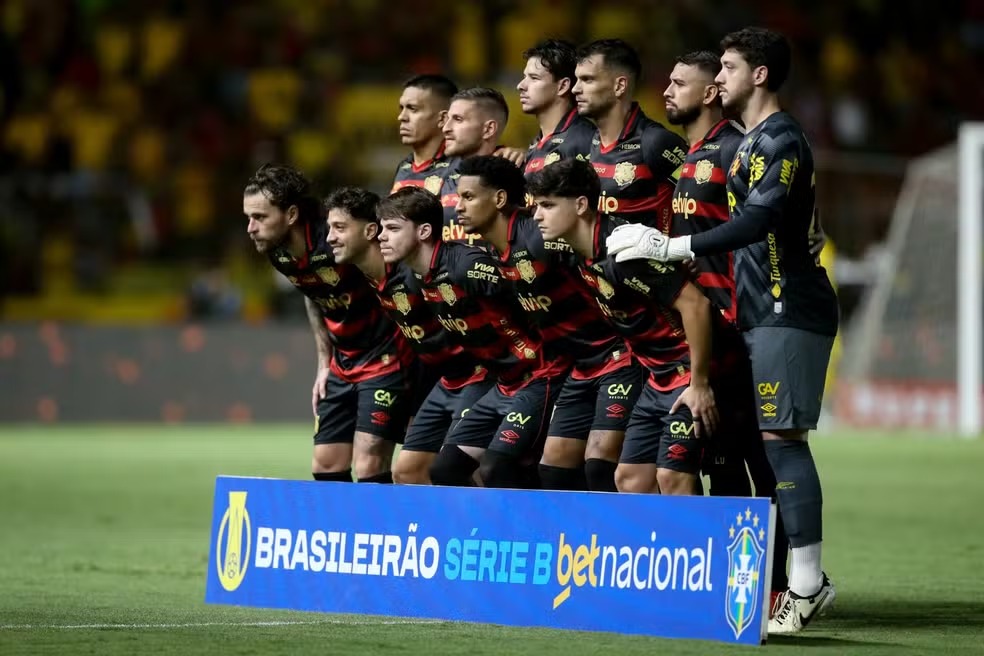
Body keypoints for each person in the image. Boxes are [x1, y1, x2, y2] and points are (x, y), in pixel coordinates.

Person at [606, 28, 839, 633]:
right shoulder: (756, 142)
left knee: (783, 441)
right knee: (767, 445)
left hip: (788, 306)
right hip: (762, 310)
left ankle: (806, 586)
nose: (720, 79)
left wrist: (670, 243)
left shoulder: (781, 136)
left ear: (757, 75)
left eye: (729, 67)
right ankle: (785, 585)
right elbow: (781, 215)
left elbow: (761, 217)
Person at [529, 158, 753, 497]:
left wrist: (700, 383)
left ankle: (700, 549)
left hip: (696, 371)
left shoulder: (625, 252)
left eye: (547, 205)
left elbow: (696, 305)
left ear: (580, 205)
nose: (537, 216)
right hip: (658, 375)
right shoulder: (575, 253)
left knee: (674, 477)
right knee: (629, 478)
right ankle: (664, 548)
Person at [663, 49, 790, 610]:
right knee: (721, 463)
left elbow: (773, 225)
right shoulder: (688, 157)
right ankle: (740, 585)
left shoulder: (739, 148)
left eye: (680, 83)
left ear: (711, 93)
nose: (667, 90)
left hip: (744, 330)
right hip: (707, 331)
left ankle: (780, 585)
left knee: (762, 463)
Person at [454, 155, 641, 491]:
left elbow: (598, 259)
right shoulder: (490, 254)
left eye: (467, 197)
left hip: (617, 356)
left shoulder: (541, 239)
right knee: (553, 470)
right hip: (577, 367)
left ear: (498, 199)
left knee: (599, 466)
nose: (458, 207)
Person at [377, 186, 566, 489]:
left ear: (424, 231)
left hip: (539, 375)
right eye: (382, 229)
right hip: (502, 384)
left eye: (392, 228)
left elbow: (531, 301)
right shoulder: (415, 278)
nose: (381, 237)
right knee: (445, 470)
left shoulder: (467, 266)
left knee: (498, 469)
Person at [243, 165, 414, 483]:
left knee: (369, 464)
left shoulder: (336, 239)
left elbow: (389, 274)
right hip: (343, 362)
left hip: (385, 357)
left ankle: (380, 532)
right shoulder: (278, 254)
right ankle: (346, 532)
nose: (251, 228)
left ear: (291, 215)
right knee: (325, 464)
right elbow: (313, 293)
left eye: (260, 217)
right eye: (248, 218)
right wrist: (324, 362)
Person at [325, 186, 493, 484]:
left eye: (339, 228)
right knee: (406, 471)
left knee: (461, 468)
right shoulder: (367, 277)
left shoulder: (417, 275)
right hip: (444, 382)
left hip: (479, 376)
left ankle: (481, 530)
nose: (330, 238)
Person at [572, 39, 687, 231]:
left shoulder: (655, 142)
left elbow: (703, 199)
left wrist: (686, 250)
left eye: (587, 80)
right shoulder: (585, 143)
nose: (575, 88)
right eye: (577, 79)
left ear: (620, 86)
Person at [439, 87, 510, 245]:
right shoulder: (444, 176)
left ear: (488, 129)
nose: (446, 128)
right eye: (447, 119)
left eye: (458, 119)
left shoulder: (515, 175)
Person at [517, 39, 596, 180]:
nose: (521, 85)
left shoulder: (584, 141)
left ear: (563, 86)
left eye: (534, 78)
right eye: (524, 77)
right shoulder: (537, 142)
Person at [391, 74, 458, 194]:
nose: (401, 117)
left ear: (443, 118)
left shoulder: (462, 166)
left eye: (413, 108)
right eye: (402, 108)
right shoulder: (404, 167)